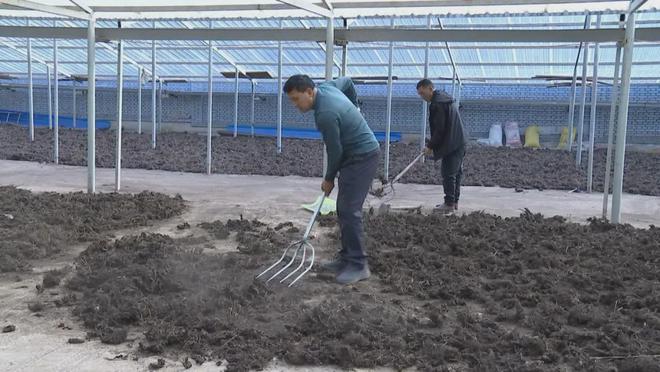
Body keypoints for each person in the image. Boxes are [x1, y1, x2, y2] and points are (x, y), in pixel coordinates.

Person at [283, 74, 380, 285]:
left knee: (349, 210)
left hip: (362, 156)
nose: (295, 104)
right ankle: (347, 258)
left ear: (309, 92)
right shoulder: (327, 88)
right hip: (354, 155)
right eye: (291, 100)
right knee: (343, 207)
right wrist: (354, 107)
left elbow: (335, 151)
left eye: (296, 99)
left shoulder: (325, 114)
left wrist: (329, 179)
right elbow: (347, 81)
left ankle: (358, 265)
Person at [416, 79, 467, 213]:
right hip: (459, 141)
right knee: (456, 173)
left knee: (448, 173)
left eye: (422, 93)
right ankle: (454, 202)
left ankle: (449, 204)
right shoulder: (444, 99)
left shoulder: (437, 104)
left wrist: (430, 146)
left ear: (430, 89)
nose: (422, 96)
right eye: (420, 94)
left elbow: (440, 129)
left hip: (453, 142)